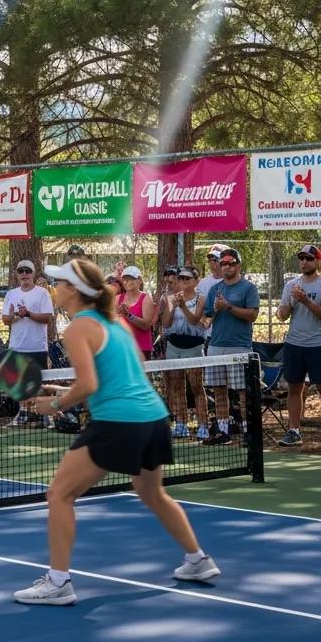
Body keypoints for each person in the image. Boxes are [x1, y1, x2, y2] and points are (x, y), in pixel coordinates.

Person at [12, 258, 220, 607]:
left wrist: (58, 404)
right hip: (153, 418)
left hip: (118, 422)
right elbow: (127, 373)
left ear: (75, 292)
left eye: (60, 282)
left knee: (60, 494)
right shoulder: (118, 322)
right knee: (152, 494)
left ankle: (59, 582)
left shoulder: (77, 328)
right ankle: (198, 560)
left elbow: (90, 383)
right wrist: (65, 390)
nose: (55, 287)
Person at [201, 247, 260, 444]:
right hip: (216, 346)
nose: (226, 266)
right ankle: (223, 432)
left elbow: (252, 315)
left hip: (240, 347)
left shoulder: (248, 288)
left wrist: (229, 307)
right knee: (218, 390)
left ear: (238, 265)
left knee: (243, 392)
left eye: (230, 263)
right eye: (222, 263)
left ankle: (247, 432)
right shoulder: (214, 289)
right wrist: (217, 310)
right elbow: (207, 317)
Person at [275, 243, 321, 446]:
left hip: (318, 344)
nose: (304, 262)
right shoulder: (291, 285)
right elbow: (282, 315)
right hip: (294, 344)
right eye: (301, 258)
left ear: (317, 261)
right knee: (294, 387)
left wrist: (305, 301)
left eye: (309, 258)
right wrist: (285, 308)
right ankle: (294, 431)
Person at [159, 266, 209, 438]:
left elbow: (195, 321)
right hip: (174, 346)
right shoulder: (171, 298)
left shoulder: (201, 299)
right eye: (181, 279)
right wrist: (173, 305)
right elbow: (165, 323)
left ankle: (204, 425)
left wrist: (184, 306)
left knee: (196, 386)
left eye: (187, 279)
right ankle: (181, 424)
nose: (183, 281)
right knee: (177, 386)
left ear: (196, 281)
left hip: (194, 346)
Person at [2, 259, 53, 425]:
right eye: (21, 271)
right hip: (17, 346)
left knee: (41, 382)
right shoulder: (11, 294)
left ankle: (46, 415)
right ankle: (23, 413)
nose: (24, 274)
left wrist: (29, 314)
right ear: (17, 274)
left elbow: (47, 318)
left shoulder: (42, 293)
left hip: (37, 346)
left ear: (33, 273)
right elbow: (5, 319)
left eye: (27, 271)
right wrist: (14, 316)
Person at [117, 265, 155, 359]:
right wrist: (116, 313)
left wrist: (128, 315)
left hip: (141, 347)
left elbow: (146, 325)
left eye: (131, 279)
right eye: (125, 279)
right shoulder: (117, 299)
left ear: (139, 280)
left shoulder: (146, 298)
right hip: (122, 347)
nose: (127, 282)